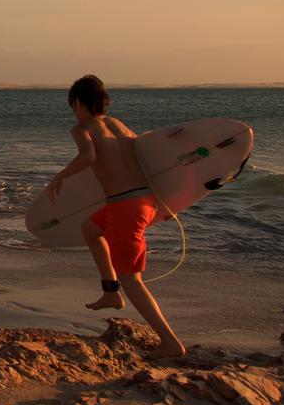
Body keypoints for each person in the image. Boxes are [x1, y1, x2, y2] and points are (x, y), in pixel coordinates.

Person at [46, 75, 186, 359]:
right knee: (90, 230)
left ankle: (170, 342)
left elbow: (87, 156)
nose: (73, 111)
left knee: (132, 279)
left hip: (126, 208)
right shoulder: (120, 125)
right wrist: (167, 204)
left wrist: (58, 178)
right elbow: (147, 159)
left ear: (77, 103)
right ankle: (110, 292)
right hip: (143, 201)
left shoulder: (82, 128)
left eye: (73, 105)